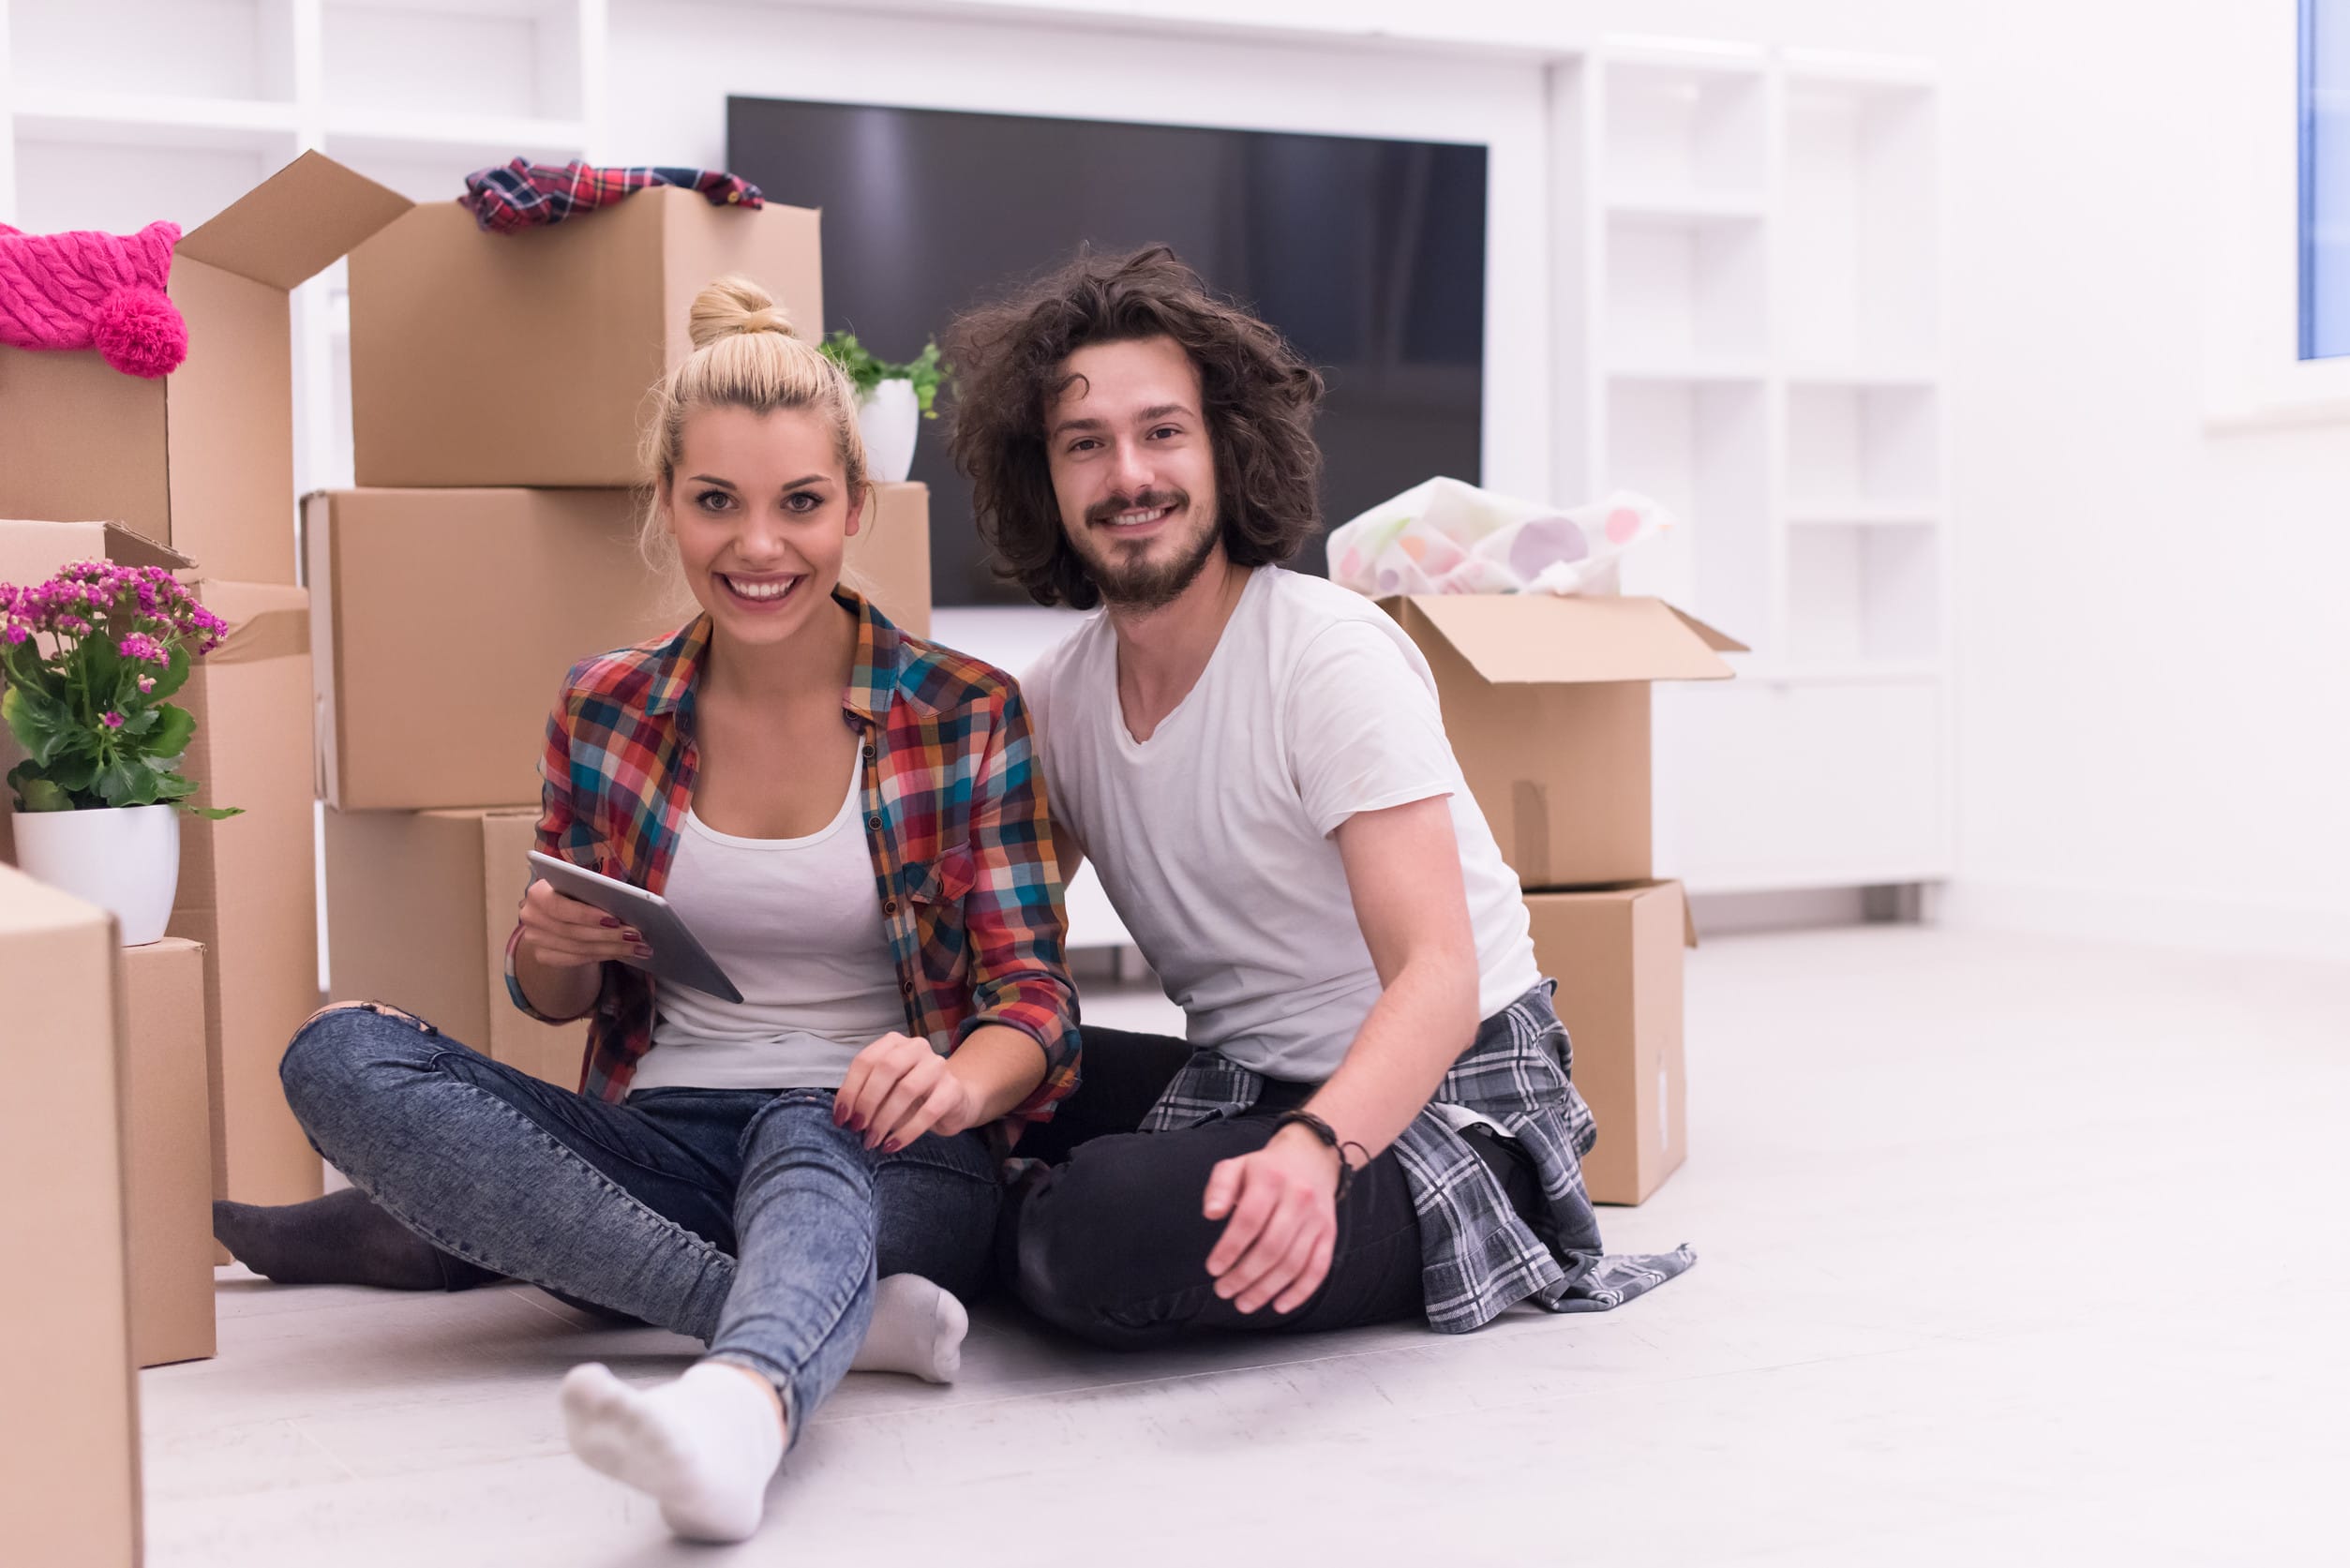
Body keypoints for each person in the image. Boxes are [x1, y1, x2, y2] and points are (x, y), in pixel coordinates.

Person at [217, 276, 1078, 1543]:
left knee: (806, 1135)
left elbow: (1033, 1003)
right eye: (715, 502)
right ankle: (830, 1310)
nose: (758, 547)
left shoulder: (963, 709)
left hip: (884, 1141)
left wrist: (953, 1086)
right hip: (663, 1136)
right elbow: (557, 994)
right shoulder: (607, 705)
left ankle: (742, 1402)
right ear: (667, 502)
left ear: (852, 507)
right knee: (338, 1051)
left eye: (799, 504)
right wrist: (546, 947)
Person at [945, 246, 1693, 1345]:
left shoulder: (1323, 652)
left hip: (1442, 1096)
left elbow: (1438, 980)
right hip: (1242, 1082)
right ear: (1043, 481)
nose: (1128, 475)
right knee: (959, 1074)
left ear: (1223, 447)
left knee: (1098, 1228)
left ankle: (982, 1235)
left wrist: (1311, 1148)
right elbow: (999, 951)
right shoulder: (1055, 699)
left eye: (1161, 431)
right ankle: (973, 1219)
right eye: (1083, 445)